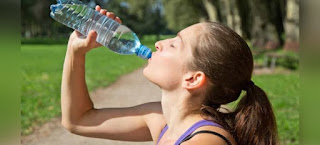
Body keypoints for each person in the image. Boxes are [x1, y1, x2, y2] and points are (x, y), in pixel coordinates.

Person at [61, 5, 278, 145]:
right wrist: (76, 51)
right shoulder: (162, 119)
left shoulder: (206, 141)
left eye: (174, 44)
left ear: (193, 79)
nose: (159, 44)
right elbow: (79, 120)